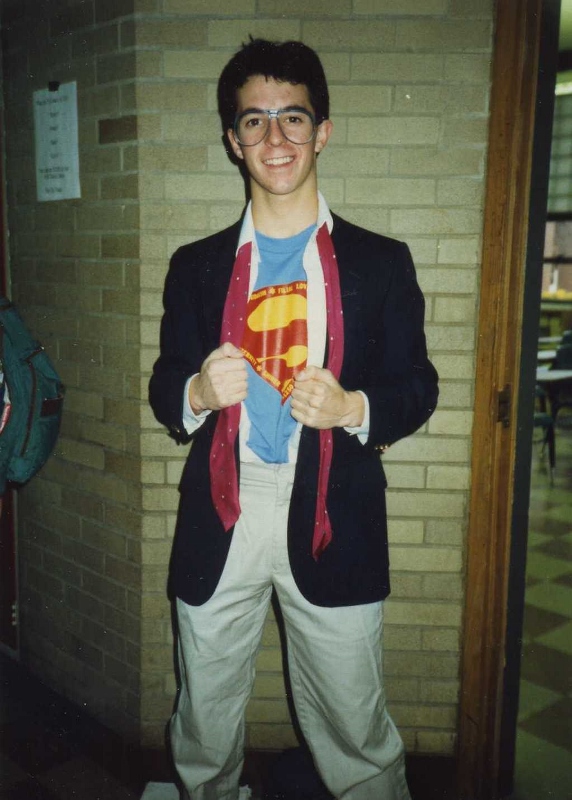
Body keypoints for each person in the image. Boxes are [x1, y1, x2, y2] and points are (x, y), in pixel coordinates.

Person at [149, 38, 438, 800]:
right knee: (203, 719)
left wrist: (352, 407)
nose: (274, 137)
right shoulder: (196, 266)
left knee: (354, 727)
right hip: (224, 505)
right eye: (254, 120)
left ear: (323, 131)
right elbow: (164, 386)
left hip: (333, 509)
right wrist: (196, 393)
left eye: (293, 117)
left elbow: (418, 386)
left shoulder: (381, 262)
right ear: (232, 140)